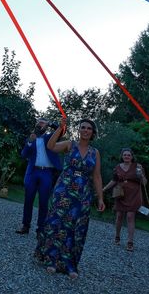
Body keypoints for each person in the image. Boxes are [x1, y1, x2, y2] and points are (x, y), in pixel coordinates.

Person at [34, 119, 105, 279]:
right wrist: (60, 128)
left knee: (77, 227)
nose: (86, 130)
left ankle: (70, 264)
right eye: (83, 127)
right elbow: (50, 146)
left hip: (83, 193)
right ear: (79, 130)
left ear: (93, 133)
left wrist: (100, 198)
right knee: (57, 222)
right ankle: (51, 259)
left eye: (89, 128)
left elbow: (97, 176)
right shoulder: (70, 144)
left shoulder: (95, 153)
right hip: (64, 189)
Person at [15, 119, 63, 235]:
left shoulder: (50, 137)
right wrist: (30, 142)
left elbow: (60, 130)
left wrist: (50, 123)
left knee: (43, 201)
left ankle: (41, 229)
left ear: (46, 126)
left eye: (43, 122)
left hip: (46, 173)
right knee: (28, 199)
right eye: (39, 122)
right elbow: (23, 154)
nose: (41, 123)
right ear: (36, 125)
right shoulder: (31, 137)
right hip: (33, 172)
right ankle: (25, 226)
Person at [102, 148, 147, 251]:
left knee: (130, 216)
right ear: (122, 156)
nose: (127, 156)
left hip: (134, 194)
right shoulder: (117, 167)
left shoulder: (138, 166)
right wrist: (103, 189)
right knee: (119, 216)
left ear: (132, 156)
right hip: (120, 194)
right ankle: (117, 236)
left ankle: (130, 242)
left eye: (129, 155)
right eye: (125, 155)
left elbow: (144, 183)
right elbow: (114, 180)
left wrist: (142, 176)